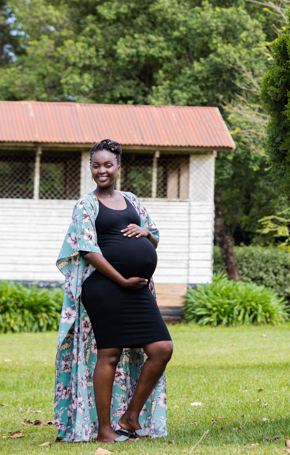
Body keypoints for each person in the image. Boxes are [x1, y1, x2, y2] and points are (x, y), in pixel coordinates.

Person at [54, 139, 173, 442]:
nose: (102, 170)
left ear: (119, 167)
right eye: (96, 165)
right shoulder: (86, 205)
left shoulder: (132, 199)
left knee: (162, 349)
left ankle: (131, 416)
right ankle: (105, 431)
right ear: (91, 168)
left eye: (108, 165)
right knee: (109, 354)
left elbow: (153, 234)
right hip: (105, 287)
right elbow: (88, 251)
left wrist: (146, 232)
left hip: (138, 289)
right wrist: (121, 280)